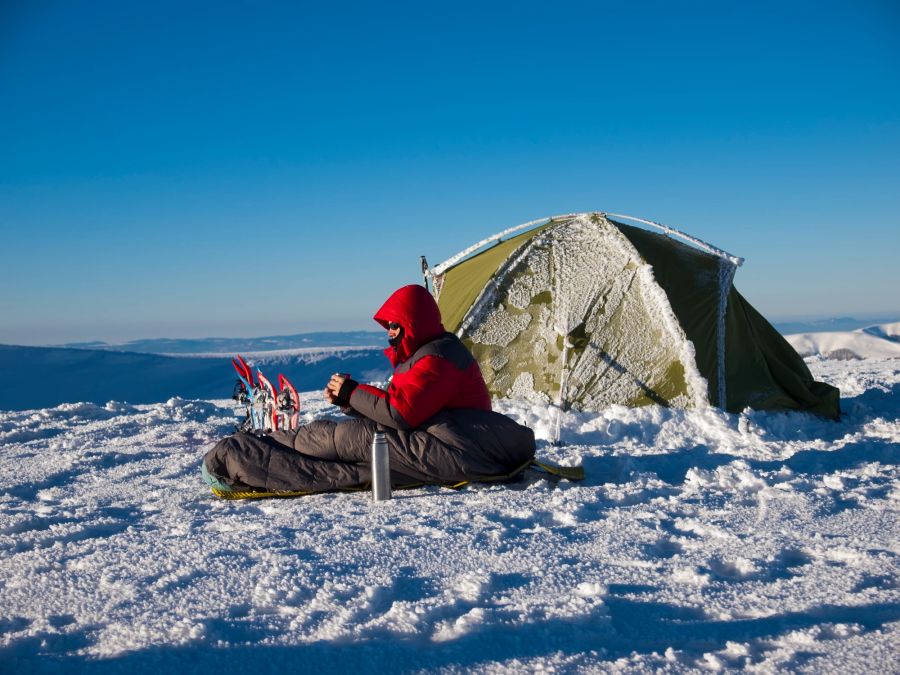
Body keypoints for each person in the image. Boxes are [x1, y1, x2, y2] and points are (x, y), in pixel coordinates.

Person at [202, 285, 535, 494]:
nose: (389, 331)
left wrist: (352, 392)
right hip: (444, 437)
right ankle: (246, 452)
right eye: (388, 325)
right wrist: (351, 403)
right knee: (339, 439)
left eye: (395, 325)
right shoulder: (424, 355)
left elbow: (402, 413)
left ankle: (239, 458)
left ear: (413, 323)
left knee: (349, 443)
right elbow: (400, 406)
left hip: (460, 443)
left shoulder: (439, 358)